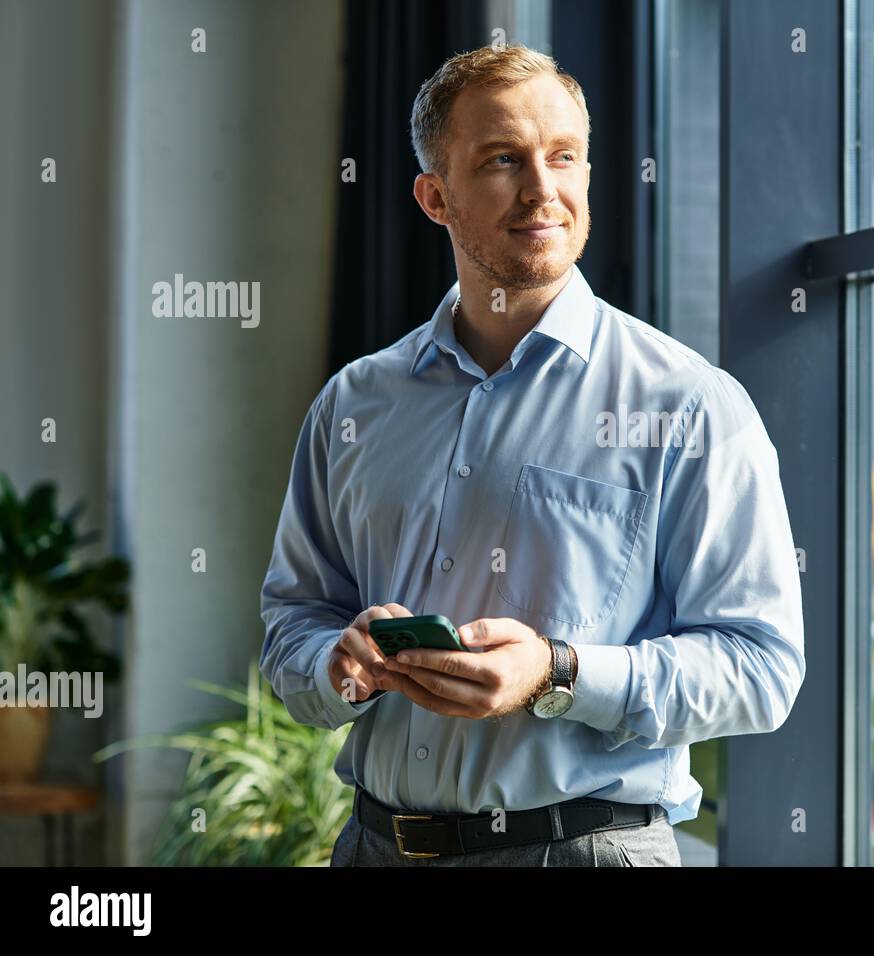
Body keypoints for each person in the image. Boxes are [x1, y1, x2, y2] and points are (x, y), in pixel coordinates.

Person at [259, 43, 805, 867]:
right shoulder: (354, 405)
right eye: (503, 160)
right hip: (372, 848)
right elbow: (290, 625)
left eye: (565, 158)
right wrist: (340, 661)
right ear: (434, 197)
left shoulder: (688, 405)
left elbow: (761, 669)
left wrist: (558, 673)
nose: (543, 189)